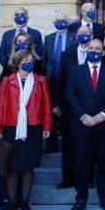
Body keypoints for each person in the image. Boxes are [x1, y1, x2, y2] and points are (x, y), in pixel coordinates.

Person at [0, 49, 52, 210]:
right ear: (18, 63)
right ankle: (12, 204)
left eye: (31, 59)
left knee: (28, 167)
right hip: (11, 127)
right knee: (11, 167)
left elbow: (46, 106)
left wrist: (47, 127)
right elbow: (0, 107)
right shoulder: (7, 80)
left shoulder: (40, 80)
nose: (30, 62)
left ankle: (25, 203)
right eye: (26, 60)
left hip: (33, 127)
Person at [67, 39, 105, 210]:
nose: (94, 51)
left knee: (103, 164)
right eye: (91, 48)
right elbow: (70, 95)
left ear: (103, 52)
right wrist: (83, 116)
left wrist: (101, 116)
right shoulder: (75, 71)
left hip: (103, 126)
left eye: (98, 48)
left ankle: (104, 198)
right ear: (86, 50)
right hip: (81, 125)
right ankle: (80, 199)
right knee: (82, 164)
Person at [54, 25, 93, 189]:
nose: (84, 35)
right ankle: (68, 178)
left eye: (87, 33)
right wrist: (56, 103)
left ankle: (88, 178)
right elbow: (59, 79)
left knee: (90, 145)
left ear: (92, 35)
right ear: (76, 35)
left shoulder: (97, 52)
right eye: (81, 33)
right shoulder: (67, 54)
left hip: (91, 106)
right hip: (70, 106)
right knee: (68, 144)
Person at [42, 12, 76, 153]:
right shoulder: (48, 38)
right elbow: (45, 60)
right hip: (51, 80)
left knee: (66, 112)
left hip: (68, 81)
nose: (60, 23)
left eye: (63, 20)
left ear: (67, 22)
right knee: (50, 113)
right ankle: (51, 144)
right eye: (57, 20)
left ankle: (68, 144)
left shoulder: (74, 37)